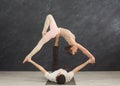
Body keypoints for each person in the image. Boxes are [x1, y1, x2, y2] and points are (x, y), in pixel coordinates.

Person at [23, 14, 95, 64]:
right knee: (49, 16)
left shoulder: (73, 43)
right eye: (75, 52)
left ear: (72, 48)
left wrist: (91, 57)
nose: (76, 51)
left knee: (40, 43)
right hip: (56, 30)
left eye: (74, 52)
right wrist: (91, 56)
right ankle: (43, 32)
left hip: (55, 31)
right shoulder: (73, 42)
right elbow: (84, 50)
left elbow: (84, 50)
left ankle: (29, 56)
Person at [24, 57, 93, 84]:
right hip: (65, 69)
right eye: (61, 73)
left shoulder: (51, 77)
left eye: (59, 74)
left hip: (55, 69)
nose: (59, 73)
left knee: (55, 59)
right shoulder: (68, 76)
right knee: (67, 68)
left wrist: (30, 61)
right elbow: (78, 68)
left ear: (56, 78)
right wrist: (88, 61)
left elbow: (41, 68)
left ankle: (56, 41)